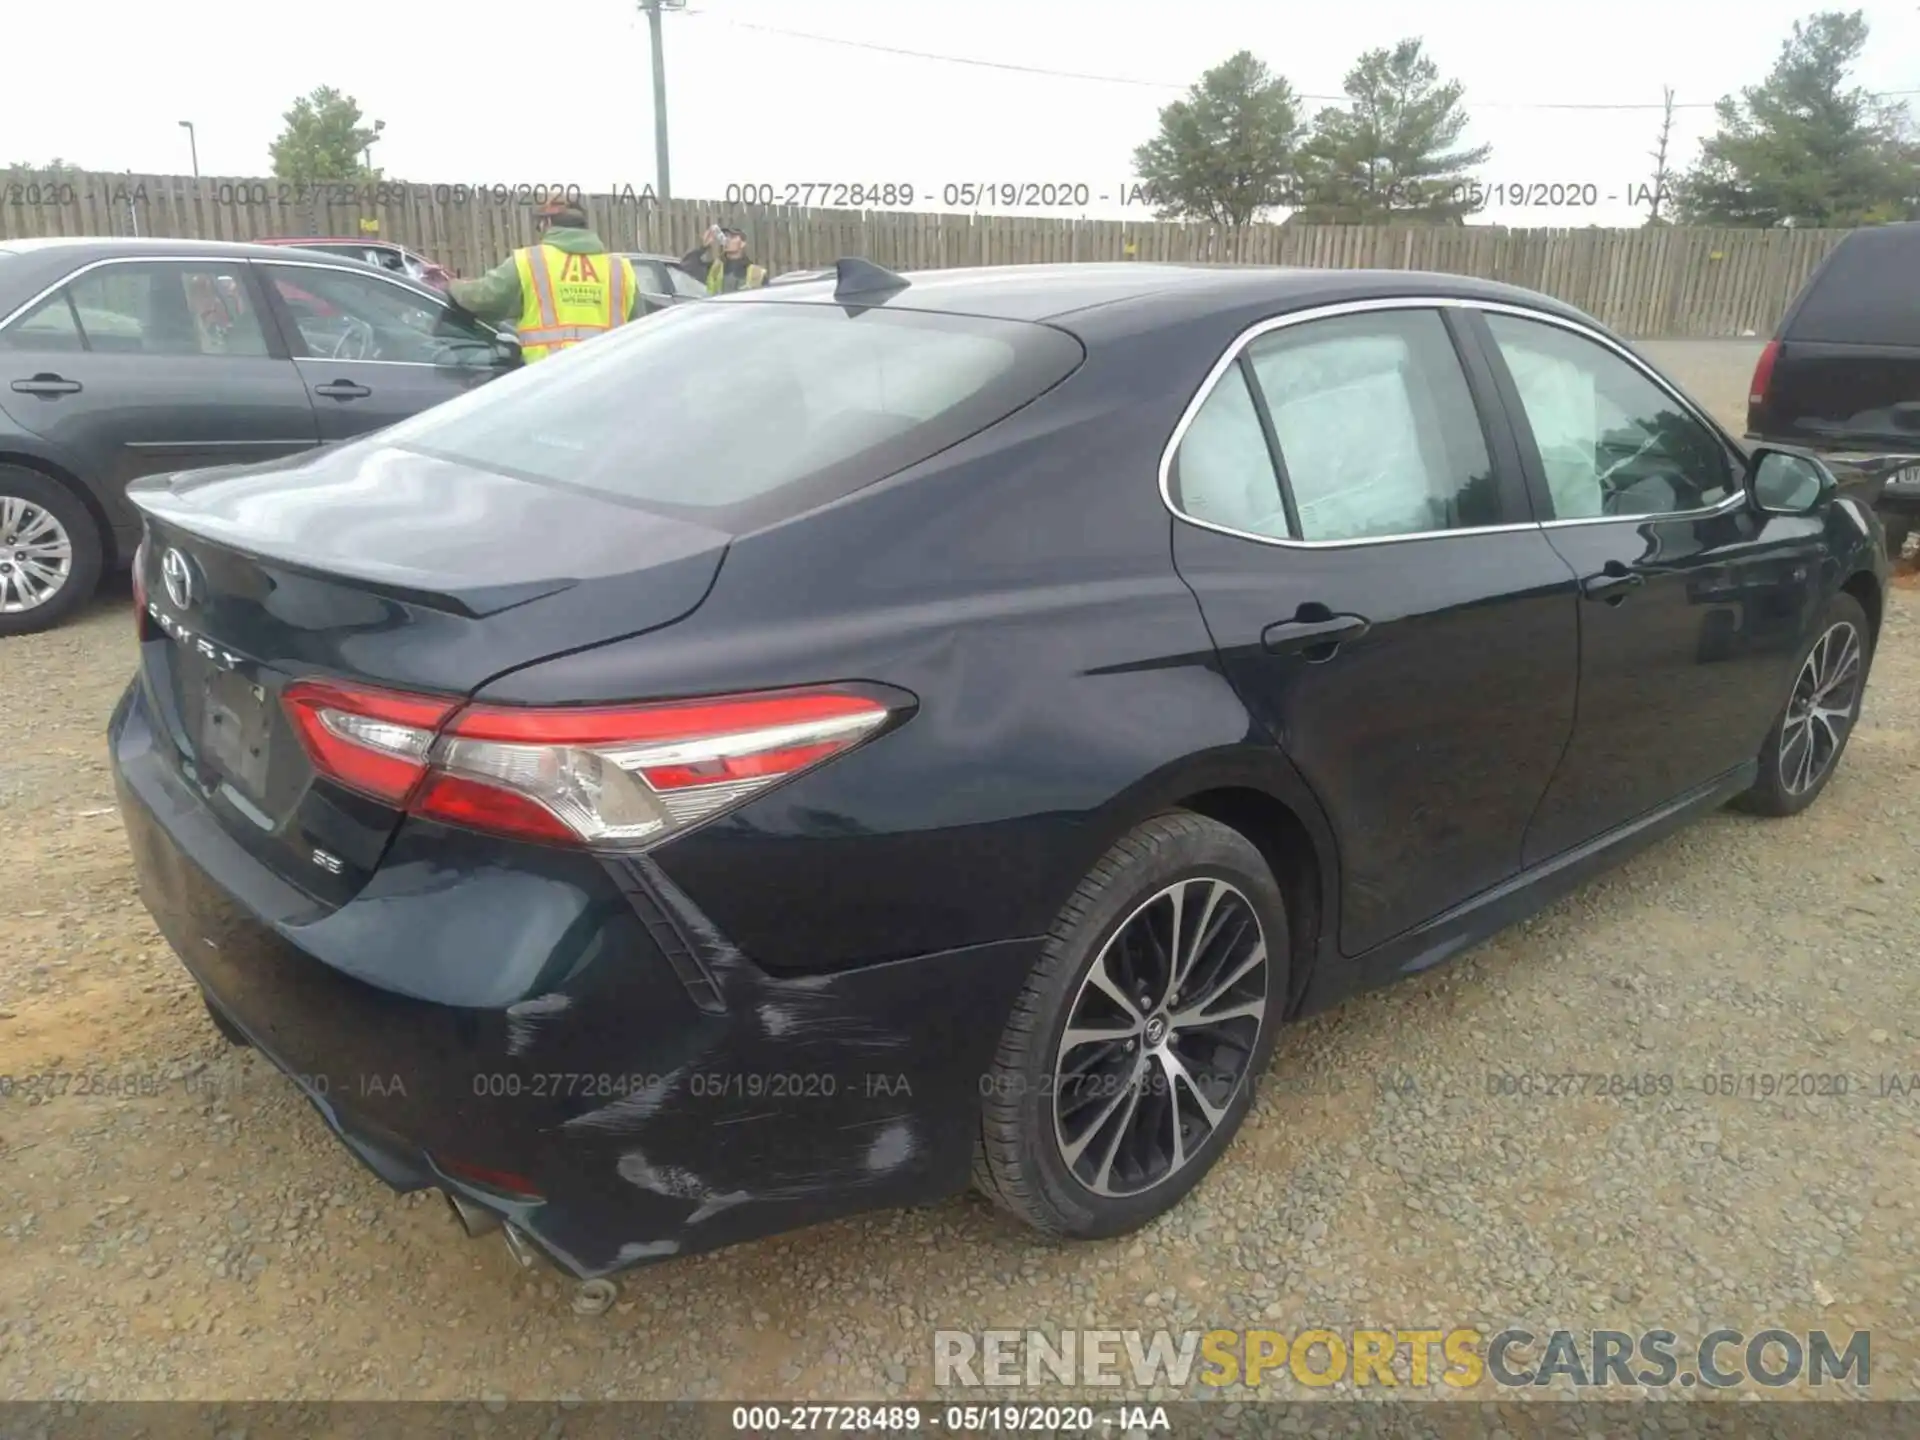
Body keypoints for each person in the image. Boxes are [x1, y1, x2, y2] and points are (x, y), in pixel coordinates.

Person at [446, 199, 639, 362]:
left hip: (548, 382)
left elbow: (484, 298)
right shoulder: (620, 269)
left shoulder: (531, 261)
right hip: (607, 379)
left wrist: (452, 284)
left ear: (547, 223)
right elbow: (643, 332)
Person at [680, 224, 767, 293]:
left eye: (732, 237)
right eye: (726, 236)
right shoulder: (714, 269)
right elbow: (685, 267)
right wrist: (704, 247)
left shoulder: (757, 273)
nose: (727, 240)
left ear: (743, 243)